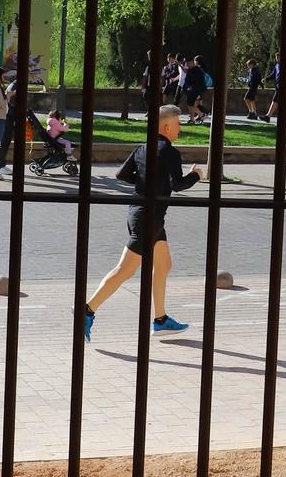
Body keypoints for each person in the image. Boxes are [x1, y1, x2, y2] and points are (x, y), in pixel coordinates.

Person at [83, 104, 204, 339]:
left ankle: (160, 320)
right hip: (148, 219)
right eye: (178, 124)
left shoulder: (143, 148)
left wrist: (147, 181)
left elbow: (122, 175)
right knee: (124, 270)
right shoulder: (169, 152)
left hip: (145, 216)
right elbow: (178, 185)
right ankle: (87, 311)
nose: (180, 128)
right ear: (167, 126)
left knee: (164, 265)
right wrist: (197, 175)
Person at [179, 54, 208, 123]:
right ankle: (194, 118)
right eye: (187, 63)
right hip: (190, 91)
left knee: (193, 105)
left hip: (197, 91)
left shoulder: (198, 71)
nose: (187, 65)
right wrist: (185, 88)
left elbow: (199, 82)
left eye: (188, 63)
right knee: (190, 105)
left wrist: (196, 90)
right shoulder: (189, 70)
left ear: (192, 62)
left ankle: (200, 115)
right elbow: (187, 81)